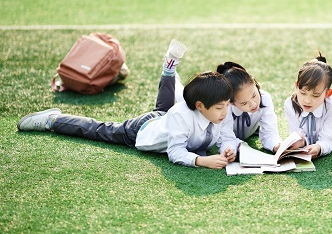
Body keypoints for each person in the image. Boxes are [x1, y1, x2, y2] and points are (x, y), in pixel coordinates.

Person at [17, 40, 239, 169]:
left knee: (163, 109)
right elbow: (175, 152)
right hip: (140, 131)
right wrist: (202, 161)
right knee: (99, 130)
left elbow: (223, 136)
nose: (225, 112)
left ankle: (169, 69)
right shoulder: (182, 115)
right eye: (220, 107)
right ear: (200, 106)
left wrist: (228, 150)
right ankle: (52, 120)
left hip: (165, 119)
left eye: (226, 105)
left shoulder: (216, 110)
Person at [284, 53, 332, 159]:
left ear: (328, 94)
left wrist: (319, 147)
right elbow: (298, 134)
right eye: (303, 93)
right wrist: (300, 141)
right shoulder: (290, 104)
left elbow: (327, 140)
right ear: (296, 86)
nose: (307, 100)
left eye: (315, 95)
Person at [215, 61, 282, 153]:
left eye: (254, 95)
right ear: (231, 103)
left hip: (251, 132)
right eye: (244, 103)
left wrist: (276, 145)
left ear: (254, 82)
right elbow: (226, 138)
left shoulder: (265, 98)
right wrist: (231, 152)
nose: (253, 104)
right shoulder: (225, 108)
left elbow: (270, 131)